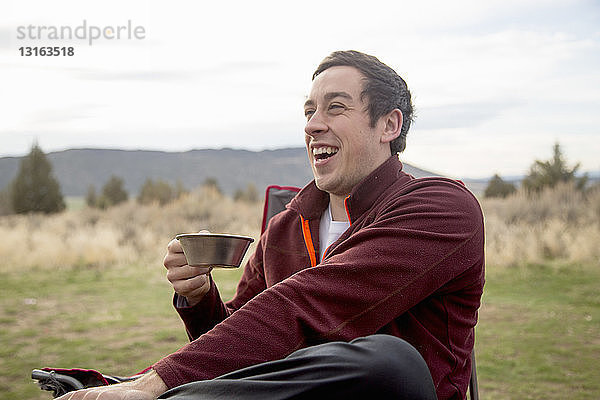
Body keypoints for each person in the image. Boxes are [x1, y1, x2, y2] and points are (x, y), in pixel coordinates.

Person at [58, 50, 485, 400]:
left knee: (392, 363)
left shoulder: (441, 207)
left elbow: (307, 304)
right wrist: (201, 296)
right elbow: (240, 347)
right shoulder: (284, 228)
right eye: (309, 111)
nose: (312, 124)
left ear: (388, 125)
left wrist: (155, 382)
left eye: (335, 107)